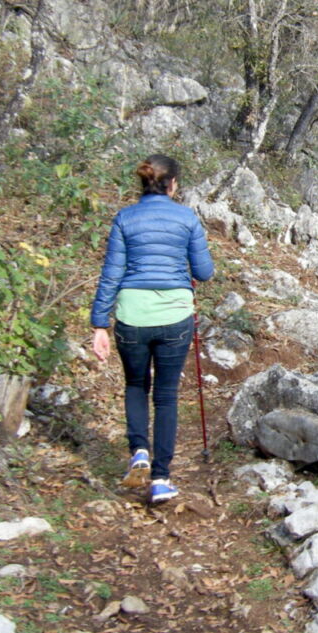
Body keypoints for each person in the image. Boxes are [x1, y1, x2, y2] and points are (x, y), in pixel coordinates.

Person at [90, 154, 214, 504]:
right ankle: (161, 478)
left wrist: (100, 323)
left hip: (131, 315)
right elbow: (204, 272)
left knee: (135, 384)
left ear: (143, 182)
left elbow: (111, 273)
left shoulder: (125, 218)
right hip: (174, 315)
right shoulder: (186, 217)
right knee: (166, 395)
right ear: (173, 184)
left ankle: (139, 453)